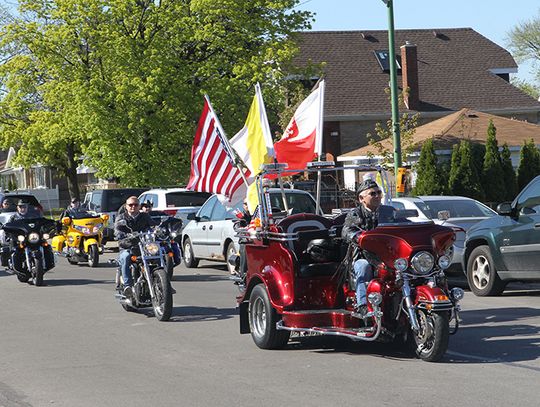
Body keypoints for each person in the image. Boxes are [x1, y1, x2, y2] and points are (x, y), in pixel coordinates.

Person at [341, 180, 394, 318]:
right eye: (372, 193)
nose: (377, 196)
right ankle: (363, 305)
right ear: (361, 199)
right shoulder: (355, 214)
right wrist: (359, 237)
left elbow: (404, 223)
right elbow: (346, 231)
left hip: (387, 255)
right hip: (362, 256)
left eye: (379, 193)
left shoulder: (389, 212)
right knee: (363, 267)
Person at [114, 196, 159, 298]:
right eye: (130, 205)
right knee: (125, 257)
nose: (133, 207)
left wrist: (158, 230)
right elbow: (117, 231)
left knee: (158, 253)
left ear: (139, 206)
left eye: (136, 205)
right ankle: (127, 286)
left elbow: (153, 226)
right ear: (126, 206)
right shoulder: (121, 218)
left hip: (144, 246)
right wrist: (121, 235)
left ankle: (163, 283)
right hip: (128, 246)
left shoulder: (145, 216)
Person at [232, 201, 252, 277]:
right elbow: (236, 226)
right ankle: (243, 274)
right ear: (243, 205)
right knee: (244, 252)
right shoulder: (240, 215)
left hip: (256, 238)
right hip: (245, 239)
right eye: (245, 204)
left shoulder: (257, 214)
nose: (247, 206)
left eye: (248, 204)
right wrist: (243, 228)